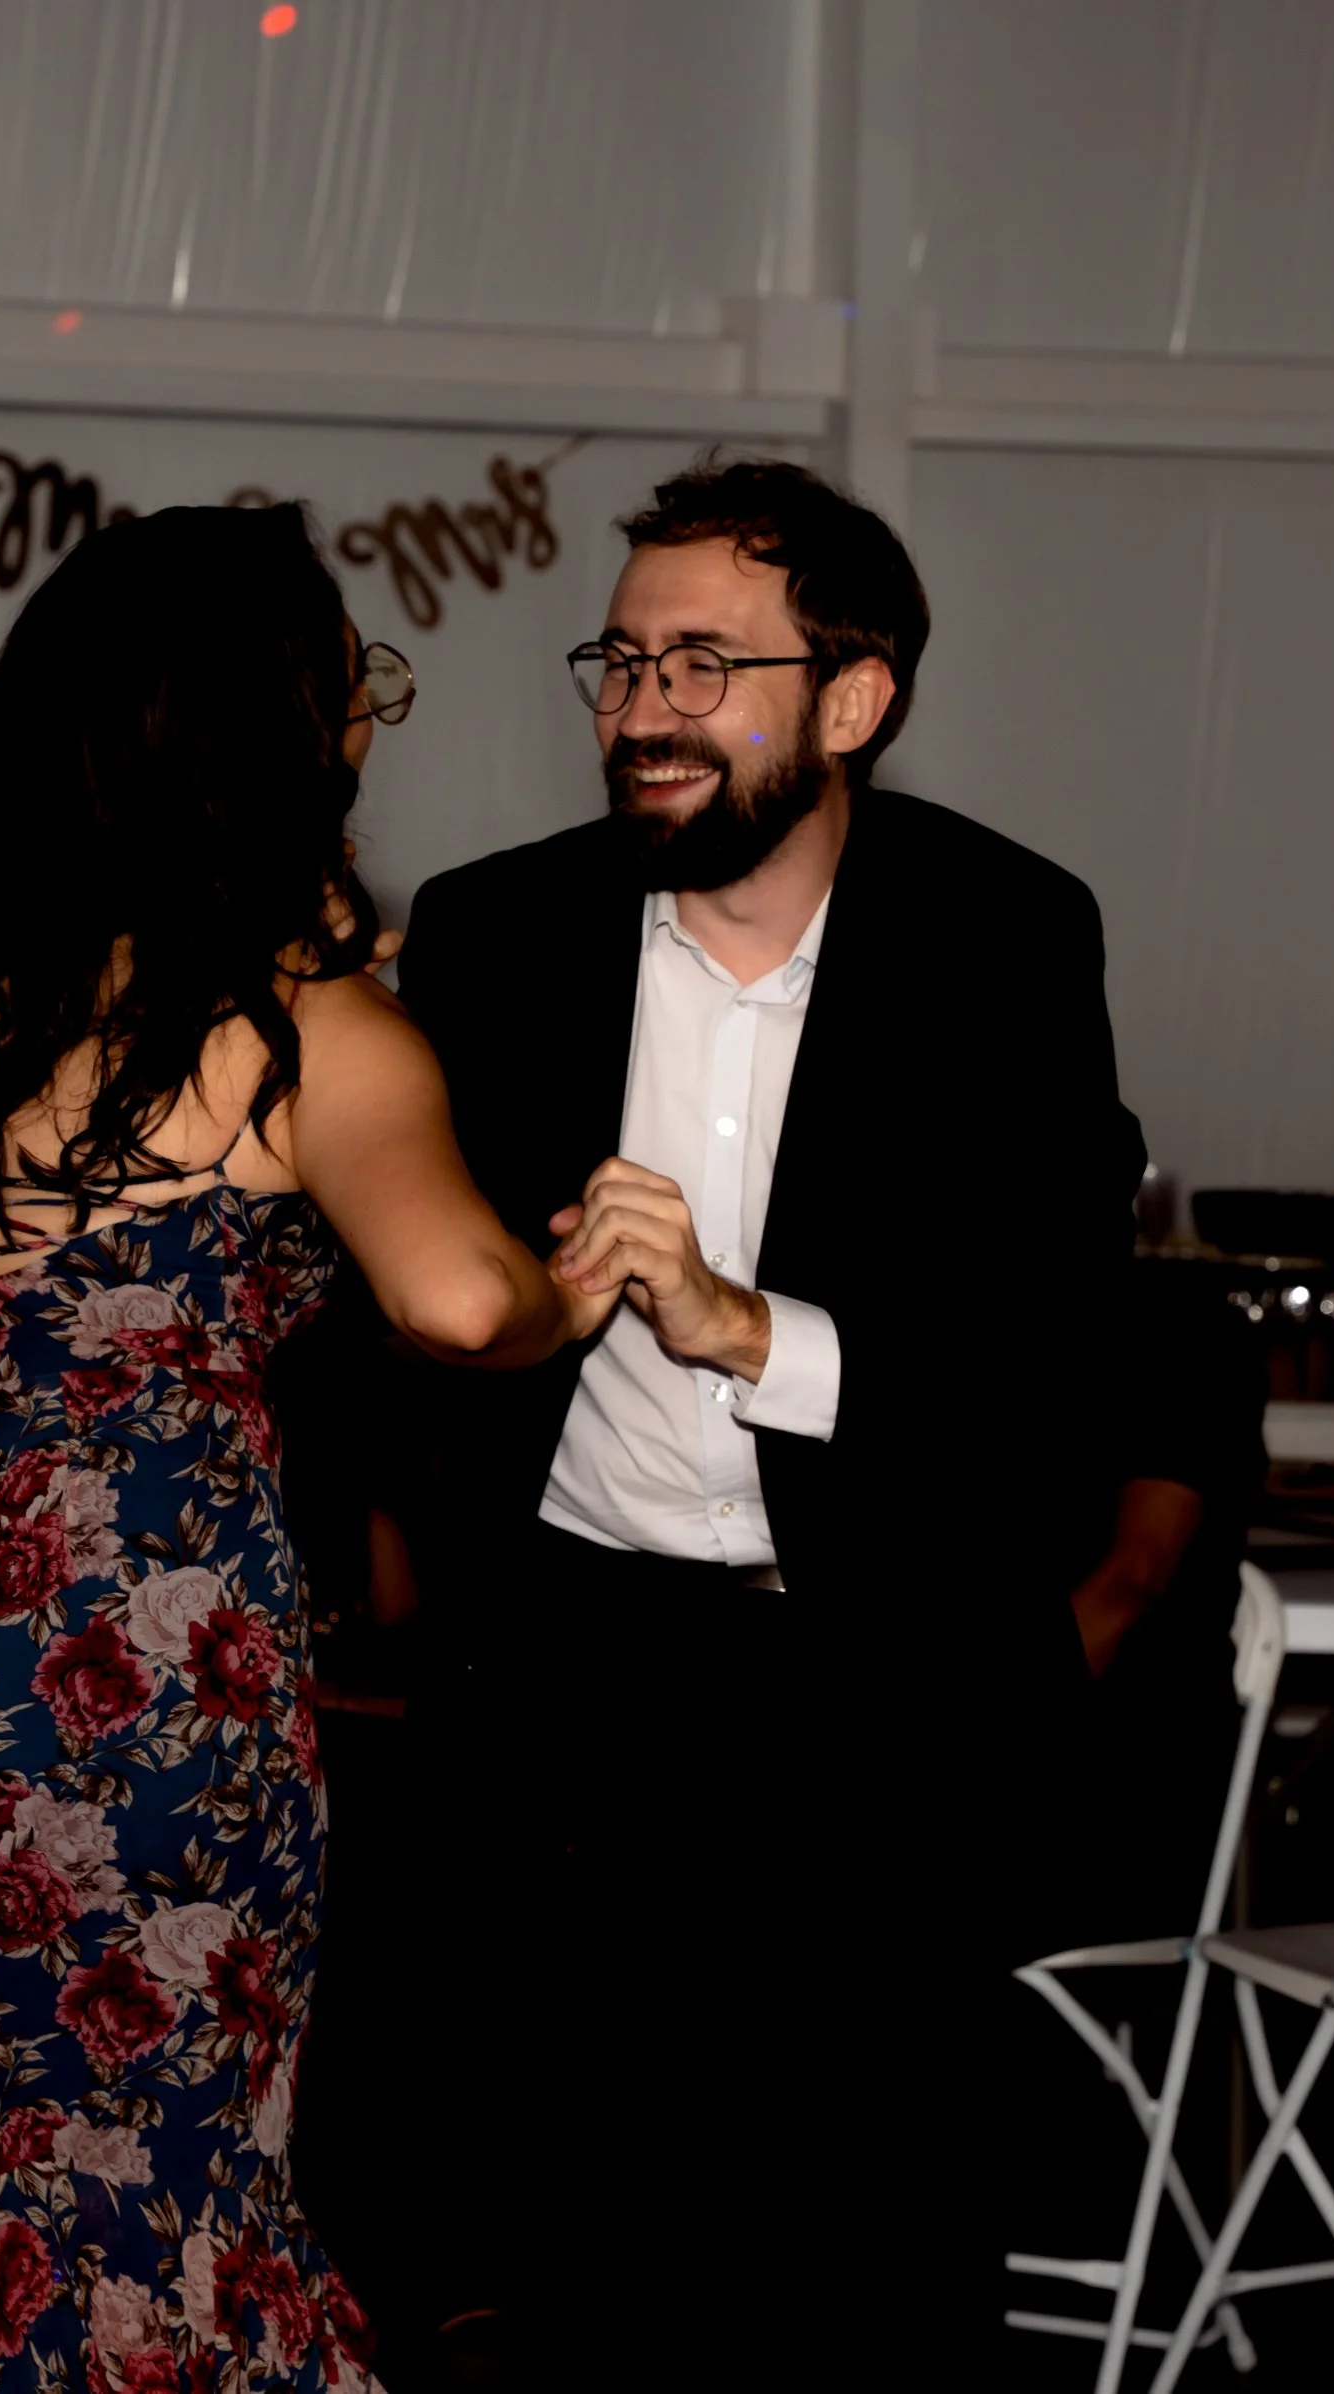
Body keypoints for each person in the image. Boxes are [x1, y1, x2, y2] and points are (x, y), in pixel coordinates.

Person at [0, 503, 613, 2393]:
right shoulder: (311, 1038)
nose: (369, 734)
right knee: (137, 2198)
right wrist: (578, 1278)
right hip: (71, 1693)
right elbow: (455, 1304)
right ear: (273, 739)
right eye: (359, 698)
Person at [393, 456, 1149, 2374]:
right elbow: (377, 1319)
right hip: (576, 1672)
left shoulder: (1008, 940)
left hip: (882, 1694)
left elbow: (1054, 1363)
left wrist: (752, 1330)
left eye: (703, 664)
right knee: (583, 2257)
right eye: (621, 659)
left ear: (854, 696)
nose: (641, 709)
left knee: (873, 2267)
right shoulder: (489, 937)